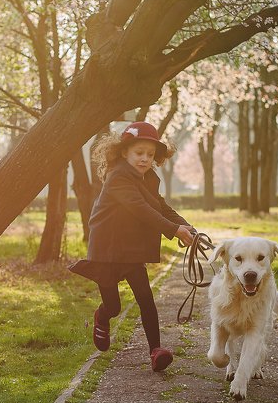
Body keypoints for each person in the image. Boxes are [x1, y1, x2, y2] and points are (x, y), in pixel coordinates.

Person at [69, 121, 194, 372]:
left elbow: (160, 206)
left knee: (146, 298)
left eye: (150, 154)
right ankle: (102, 316)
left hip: (131, 250)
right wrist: (173, 230)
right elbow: (141, 209)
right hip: (108, 250)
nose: (145, 159)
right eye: (139, 153)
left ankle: (156, 351)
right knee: (114, 306)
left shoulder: (149, 178)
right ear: (124, 152)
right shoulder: (118, 177)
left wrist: (186, 227)